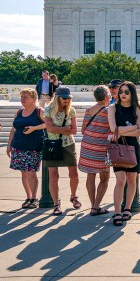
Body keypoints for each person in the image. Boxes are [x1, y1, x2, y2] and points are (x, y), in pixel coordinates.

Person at [107, 81, 140, 226]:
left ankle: (127, 208)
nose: (123, 94)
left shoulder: (137, 109)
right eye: (121, 91)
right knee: (120, 180)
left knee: (132, 179)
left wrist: (121, 129)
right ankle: (117, 212)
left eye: (126, 92)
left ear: (132, 94)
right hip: (118, 146)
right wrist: (133, 127)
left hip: (133, 147)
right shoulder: (113, 108)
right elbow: (112, 129)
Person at [6, 88, 46, 210]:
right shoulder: (19, 112)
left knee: (31, 172)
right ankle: (28, 197)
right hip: (18, 146)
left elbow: (48, 124)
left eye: (25, 97)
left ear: (33, 99)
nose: (22, 99)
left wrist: (34, 128)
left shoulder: (39, 111)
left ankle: (34, 198)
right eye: (22, 97)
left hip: (33, 147)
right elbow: (14, 129)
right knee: (23, 173)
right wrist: (9, 145)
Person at [43, 87, 79, 216]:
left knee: (74, 173)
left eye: (69, 98)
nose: (67, 100)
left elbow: (74, 130)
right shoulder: (48, 110)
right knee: (53, 175)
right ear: (58, 98)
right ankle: (56, 204)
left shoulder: (71, 110)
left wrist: (58, 128)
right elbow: (49, 129)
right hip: (53, 144)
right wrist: (65, 128)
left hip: (68, 144)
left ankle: (74, 197)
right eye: (64, 98)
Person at [78, 85, 112, 216]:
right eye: (109, 95)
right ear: (105, 97)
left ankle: (93, 204)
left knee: (90, 176)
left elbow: (82, 130)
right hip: (101, 148)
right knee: (105, 178)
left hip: (87, 147)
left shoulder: (89, 110)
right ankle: (96, 206)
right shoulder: (108, 110)